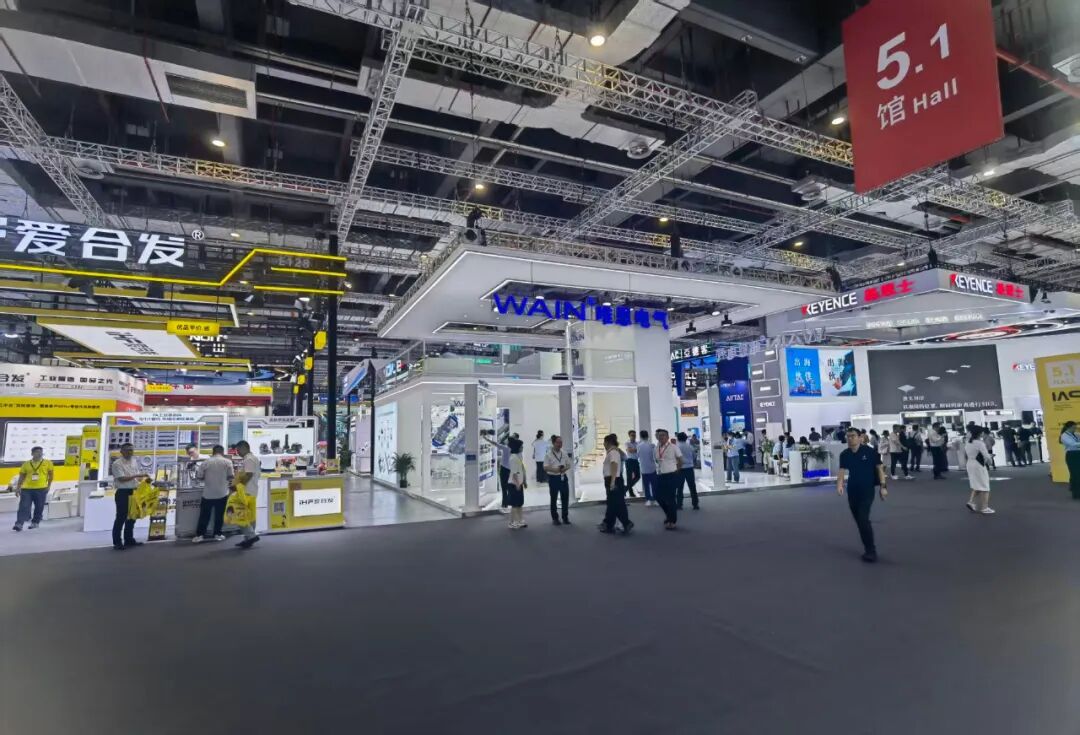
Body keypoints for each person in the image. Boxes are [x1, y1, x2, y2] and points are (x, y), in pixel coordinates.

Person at [837, 428, 888, 563]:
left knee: (863, 519)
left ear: (860, 437)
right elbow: (841, 471)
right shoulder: (845, 454)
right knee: (860, 522)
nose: (850, 439)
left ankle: (871, 551)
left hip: (867, 491)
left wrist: (883, 487)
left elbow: (879, 469)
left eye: (853, 436)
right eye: (848, 436)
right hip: (852, 491)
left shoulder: (870, 452)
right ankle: (868, 547)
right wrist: (839, 484)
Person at [193, 445, 234, 542]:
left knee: (204, 516)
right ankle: (217, 534)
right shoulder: (228, 462)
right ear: (222, 452)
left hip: (208, 494)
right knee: (219, 515)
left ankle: (200, 535)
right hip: (222, 493)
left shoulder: (206, 462)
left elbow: (199, 477)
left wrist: (207, 478)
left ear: (213, 452)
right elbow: (231, 476)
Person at [110, 443, 146, 550]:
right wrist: (137, 476)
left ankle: (129, 539)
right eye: (127, 450)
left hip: (134, 491)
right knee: (121, 517)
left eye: (131, 450)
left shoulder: (134, 461)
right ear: (121, 451)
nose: (130, 452)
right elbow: (121, 478)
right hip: (123, 492)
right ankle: (117, 542)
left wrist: (141, 479)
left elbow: (136, 477)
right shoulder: (117, 464)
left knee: (132, 517)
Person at [12, 446, 54, 532]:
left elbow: (51, 475)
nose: (39, 454)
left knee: (39, 506)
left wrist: (49, 486)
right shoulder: (26, 464)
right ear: (32, 454)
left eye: (41, 452)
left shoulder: (48, 463)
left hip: (41, 489)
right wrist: (18, 488)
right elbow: (21, 477)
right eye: (37, 452)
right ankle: (19, 524)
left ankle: (35, 522)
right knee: (24, 506)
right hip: (27, 489)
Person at [598, 433, 633, 534]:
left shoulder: (613, 452)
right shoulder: (613, 451)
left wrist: (612, 481)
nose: (604, 444)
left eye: (604, 442)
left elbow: (614, 465)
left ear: (608, 442)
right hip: (614, 479)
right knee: (613, 503)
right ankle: (609, 524)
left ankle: (625, 523)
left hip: (613, 479)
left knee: (616, 503)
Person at [231, 440, 262, 548]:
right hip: (252, 491)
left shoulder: (248, 459)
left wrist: (238, 485)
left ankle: (251, 535)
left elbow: (248, 474)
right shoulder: (254, 458)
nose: (237, 452)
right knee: (250, 516)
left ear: (244, 448)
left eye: (238, 450)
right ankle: (249, 538)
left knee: (238, 513)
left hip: (246, 491)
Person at [654, 429, 682, 529]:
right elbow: (657, 461)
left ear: (667, 437)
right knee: (658, 496)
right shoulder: (656, 448)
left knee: (670, 499)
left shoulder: (673, 447)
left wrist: (677, 471)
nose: (661, 437)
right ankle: (669, 515)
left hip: (671, 475)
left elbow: (680, 460)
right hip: (660, 476)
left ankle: (672, 521)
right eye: (659, 435)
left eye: (663, 435)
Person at [543, 435, 571, 525]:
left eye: (561, 442)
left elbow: (569, 465)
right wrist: (554, 470)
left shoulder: (564, 453)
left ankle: (565, 517)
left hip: (563, 477)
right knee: (554, 499)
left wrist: (564, 469)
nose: (560, 444)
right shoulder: (548, 454)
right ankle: (555, 518)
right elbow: (545, 467)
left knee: (565, 497)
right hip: (553, 478)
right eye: (558, 442)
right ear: (553, 443)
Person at [965, 427, 994, 514]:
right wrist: (990, 461)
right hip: (978, 465)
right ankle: (984, 507)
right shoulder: (980, 443)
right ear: (979, 433)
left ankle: (971, 502)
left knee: (976, 484)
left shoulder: (968, 442)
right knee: (985, 486)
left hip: (970, 463)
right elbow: (986, 456)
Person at [506, 437, 527, 529]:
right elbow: (514, 473)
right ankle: (512, 522)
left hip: (519, 483)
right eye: (521, 446)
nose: (522, 447)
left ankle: (520, 520)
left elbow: (521, 470)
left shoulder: (518, 456)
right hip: (514, 484)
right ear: (517, 447)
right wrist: (518, 484)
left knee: (519, 504)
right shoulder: (513, 458)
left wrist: (524, 481)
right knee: (514, 505)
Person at [675, 432, 699, 510]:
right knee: (692, 487)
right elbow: (694, 456)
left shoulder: (676, 447)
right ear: (686, 438)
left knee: (679, 487)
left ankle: (679, 505)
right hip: (689, 468)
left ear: (678, 438)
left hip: (680, 469)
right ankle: (695, 504)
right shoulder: (690, 446)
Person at [636, 430, 658, 506]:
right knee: (654, 484)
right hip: (652, 468)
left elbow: (637, 456)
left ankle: (648, 500)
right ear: (647, 436)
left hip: (644, 468)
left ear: (640, 436)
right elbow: (655, 457)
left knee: (646, 485)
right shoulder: (652, 445)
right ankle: (655, 499)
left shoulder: (639, 446)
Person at [1060, 421, 1080, 500]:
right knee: (1075, 474)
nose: (1075, 429)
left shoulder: (1074, 434)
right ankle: (1076, 493)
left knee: (1078, 474)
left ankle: (1076, 491)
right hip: (1072, 456)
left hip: (1077, 454)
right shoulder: (1064, 435)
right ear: (1069, 427)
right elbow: (1072, 444)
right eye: (1074, 427)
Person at [624, 430, 640, 498]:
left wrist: (635, 449)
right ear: (629, 436)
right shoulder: (627, 443)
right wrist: (637, 449)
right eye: (632, 435)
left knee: (638, 476)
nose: (634, 436)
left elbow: (636, 450)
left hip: (636, 461)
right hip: (629, 461)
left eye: (634, 435)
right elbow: (630, 450)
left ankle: (625, 489)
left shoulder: (637, 443)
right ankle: (631, 492)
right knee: (629, 478)